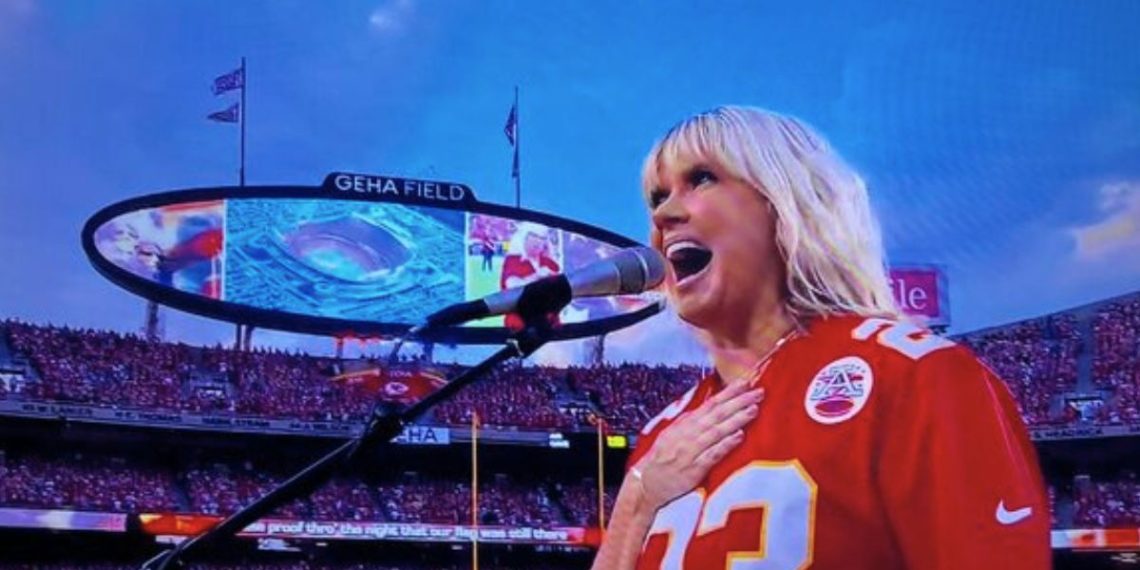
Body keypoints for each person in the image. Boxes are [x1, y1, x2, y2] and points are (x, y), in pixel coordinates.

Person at [591, 106, 1050, 569]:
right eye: (656, 197)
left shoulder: (914, 375)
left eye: (703, 178)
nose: (665, 213)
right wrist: (636, 498)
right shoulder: (661, 436)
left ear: (789, 201)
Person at [499, 222, 562, 330]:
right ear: (524, 237)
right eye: (533, 236)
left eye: (542, 238)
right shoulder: (513, 261)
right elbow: (512, 287)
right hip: (520, 329)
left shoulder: (550, 264)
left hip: (551, 330)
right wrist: (537, 276)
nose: (537, 241)